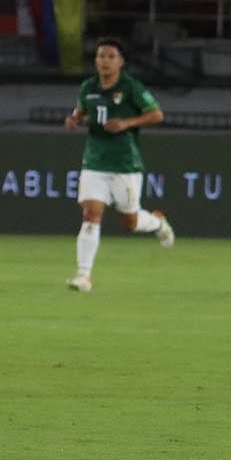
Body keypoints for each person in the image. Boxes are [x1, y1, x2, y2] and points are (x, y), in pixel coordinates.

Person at [62, 37, 175, 293]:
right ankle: (83, 276)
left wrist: (126, 123)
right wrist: (74, 120)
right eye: (101, 56)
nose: (105, 61)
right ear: (96, 60)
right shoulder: (88, 87)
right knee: (91, 215)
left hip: (125, 164)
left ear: (121, 62)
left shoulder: (131, 87)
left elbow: (157, 114)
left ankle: (158, 223)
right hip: (94, 161)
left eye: (111, 56)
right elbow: (80, 112)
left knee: (130, 223)